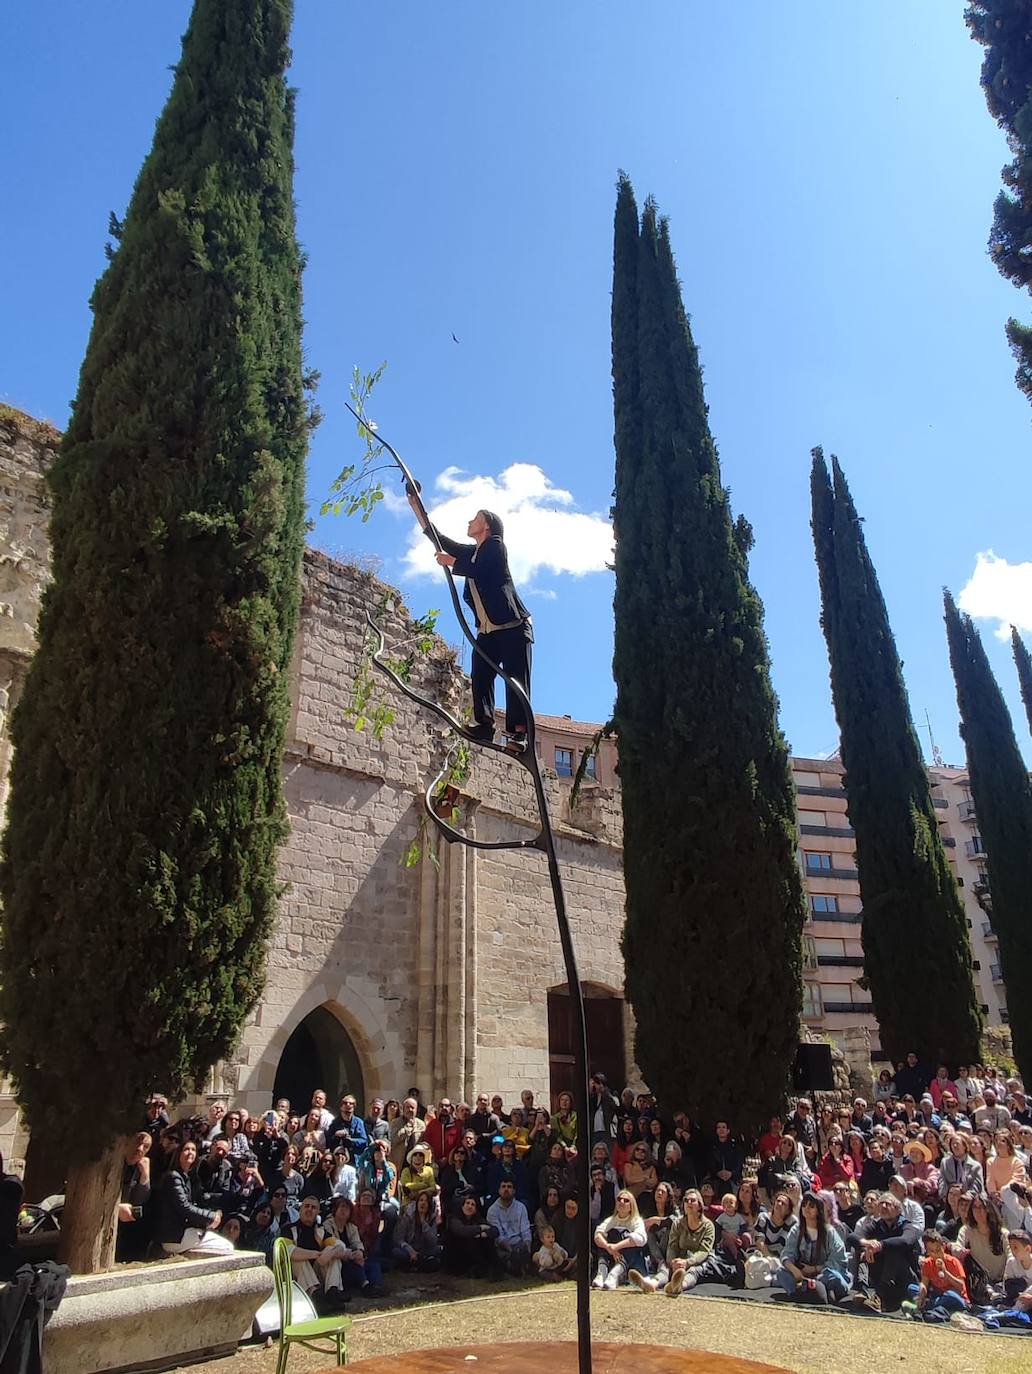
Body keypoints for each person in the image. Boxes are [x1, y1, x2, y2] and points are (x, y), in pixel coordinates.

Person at [408, 489, 533, 751]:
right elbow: (438, 539)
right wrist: (417, 506)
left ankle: (519, 735)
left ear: (486, 525)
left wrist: (451, 562)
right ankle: (485, 724)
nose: (469, 522)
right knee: (480, 673)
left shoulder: (496, 546)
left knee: (516, 679)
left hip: (513, 627)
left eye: (474, 519)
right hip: (488, 631)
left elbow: (484, 571)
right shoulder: (471, 553)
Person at [157, 1141, 235, 1256]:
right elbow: (184, 1207)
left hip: (183, 1233)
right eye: (186, 1149)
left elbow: (196, 1203)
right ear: (178, 1153)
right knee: (227, 1247)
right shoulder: (173, 1177)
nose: (190, 1153)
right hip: (175, 1236)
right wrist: (211, 1216)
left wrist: (212, 1214)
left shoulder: (188, 1178)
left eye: (193, 1150)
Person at [774, 1191, 850, 1304]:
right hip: (802, 1275)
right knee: (781, 1272)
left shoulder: (829, 1232)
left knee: (834, 1277)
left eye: (811, 1206)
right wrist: (795, 1270)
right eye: (804, 1205)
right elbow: (787, 1253)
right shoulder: (796, 1230)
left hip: (824, 1274)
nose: (806, 1208)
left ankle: (815, 1290)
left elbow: (839, 1259)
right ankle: (797, 1293)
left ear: (818, 1210)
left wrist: (815, 1269)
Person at [852, 1192, 920, 1312]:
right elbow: (852, 1237)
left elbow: (906, 1241)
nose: (883, 1206)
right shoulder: (876, 1225)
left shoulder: (908, 1227)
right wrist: (866, 1244)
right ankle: (864, 1291)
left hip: (904, 1278)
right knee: (862, 1251)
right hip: (881, 1274)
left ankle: (879, 1297)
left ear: (898, 1209)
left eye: (888, 1204)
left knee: (893, 1251)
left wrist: (881, 1245)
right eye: (881, 1203)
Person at [592, 1189, 646, 1290]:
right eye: (619, 1199)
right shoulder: (611, 1220)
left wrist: (616, 1247)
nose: (621, 1202)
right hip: (612, 1257)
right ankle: (602, 1273)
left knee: (628, 1237)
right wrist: (609, 1247)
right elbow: (597, 1235)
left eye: (626, 1200)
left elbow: (641, 1239)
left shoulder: (636, 1220)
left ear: (631, 1206)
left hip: (630, 1261)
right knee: (606, 1237)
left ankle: (613, 1275)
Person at [911, 1228, 969, 1316]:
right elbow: (924, 1283)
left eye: (938, 1250)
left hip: (955, 1296)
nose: (935, 1254)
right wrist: (922, 1292)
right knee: (911, 1288)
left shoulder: (953, 1261)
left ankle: (926, 1306)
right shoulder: (927, 1263)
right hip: (937, 1295)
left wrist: (945, 1272)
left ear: (943, 1246)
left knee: (950, 1296)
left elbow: (961, 1287)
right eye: (931, 1251)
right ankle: (926, 1304)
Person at [445, 1192, 499, 1277]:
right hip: (456, 1256)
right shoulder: (454, 1218)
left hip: (471, 1255)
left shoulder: (477, 1219)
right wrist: (480, 1228)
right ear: (462, 1206)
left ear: (475, 1210)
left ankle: (496, 1268)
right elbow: (461, 1230)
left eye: (473, 1204)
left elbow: (495, 1230)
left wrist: (483, 1234)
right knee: (469, 1239)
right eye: (467, 1203)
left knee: (488, 1240)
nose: (469, 1206)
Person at [486, 1177, 533, 1276]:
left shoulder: (521, 1207)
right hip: (502, 1248)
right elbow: (499, 1237)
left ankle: (522, 1265)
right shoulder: (492, 1210)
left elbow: (525, 1231)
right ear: (499, 1191)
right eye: (503, 1187)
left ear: (514, 1191)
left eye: (509, 1187)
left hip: (519, 1245)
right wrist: (512, 1252)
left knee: (525, 1250)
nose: (506, 1189)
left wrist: (527, 1250)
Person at [393, 1190, 442, 1271]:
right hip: (408, 1248)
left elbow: (433, 1241)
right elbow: (398, 1239)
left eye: (426, 1201)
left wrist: (424, 1223)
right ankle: (419, 1264)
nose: (423, 1203)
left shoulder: (432, 1218)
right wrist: (410, 1250)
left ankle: (416, 1265)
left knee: (438, 1250)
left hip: (424, 1249)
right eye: (421, 1200)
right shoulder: (408, 1216)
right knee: (397, 1252)